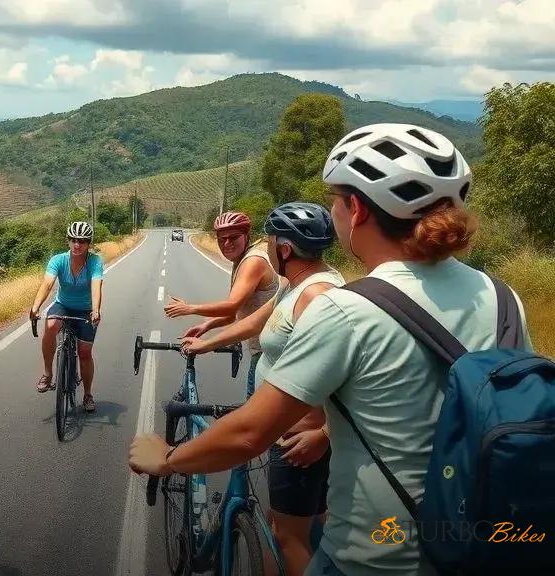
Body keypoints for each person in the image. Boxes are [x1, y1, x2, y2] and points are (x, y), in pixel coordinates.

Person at [130, 123, 533, 576]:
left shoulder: (347, 309)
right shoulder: (502, 297)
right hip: (482, 548)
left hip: (374, 558)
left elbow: (249, 434)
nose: (333, 213)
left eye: (334, 201)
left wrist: (166, 459)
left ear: (356, 210)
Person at [181, 202, 341, 576]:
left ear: (284, 248)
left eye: (269, 241)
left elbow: (348, 374)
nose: (264, 248)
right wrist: (208, 339)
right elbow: (257, 318)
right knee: (301, 523)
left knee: (287, 536)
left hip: (297, 433)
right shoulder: (295, 283)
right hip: (295, 424)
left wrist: (323, 432)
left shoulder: (316, 298)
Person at [164, 211, 280, 395]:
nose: (227, 243)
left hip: (270, 354)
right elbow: (233, 314)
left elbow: (232, 305)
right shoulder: (240, 260)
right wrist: (207, 326)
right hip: (263, 349)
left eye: (233, 237)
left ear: (247, 236)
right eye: (221, 239)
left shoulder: (253, 261)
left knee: (254, 420)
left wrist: (189, 308)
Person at [29, 221, 104, 412]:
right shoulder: (58, 260)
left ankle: (87, 394)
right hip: (63, 305)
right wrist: (36, 306)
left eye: (82, 241)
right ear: (68, 241)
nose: (77, 245)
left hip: (86, 310)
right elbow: (47, 284)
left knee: (85, 353)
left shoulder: (95, 261)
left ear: (89, 243)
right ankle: (47, 374)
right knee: (51, 325)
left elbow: (96, 287)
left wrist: (95, 310)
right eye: (73, 240)